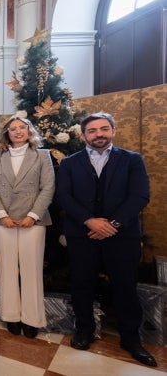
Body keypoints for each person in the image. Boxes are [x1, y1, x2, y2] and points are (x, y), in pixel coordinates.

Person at [56, 112, 156, 367]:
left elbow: (140, 196)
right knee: (82, 285)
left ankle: (131, 339)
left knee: (125, 287)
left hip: (121, 236)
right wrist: (90, 221)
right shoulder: (69, 163)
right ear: (82, 136)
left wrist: (112, 225)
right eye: (92, 130)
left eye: (103, 129)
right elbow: (64, 196)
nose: (98, 134)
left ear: (113, 130)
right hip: (82, 234)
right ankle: (84, 331)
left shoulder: (132, 160)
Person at [0, 116, 54, 339]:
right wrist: (2, 215)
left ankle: (32, 319)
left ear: (29, 130)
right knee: (6, 269)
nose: (17, 132)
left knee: (31, 270)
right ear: (7, 134)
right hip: (3, 220)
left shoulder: (42, 155)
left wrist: (33, 215)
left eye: (21, 128)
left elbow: (48, 188)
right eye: (12, 129)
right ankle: (11, 316)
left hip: (32, 221)